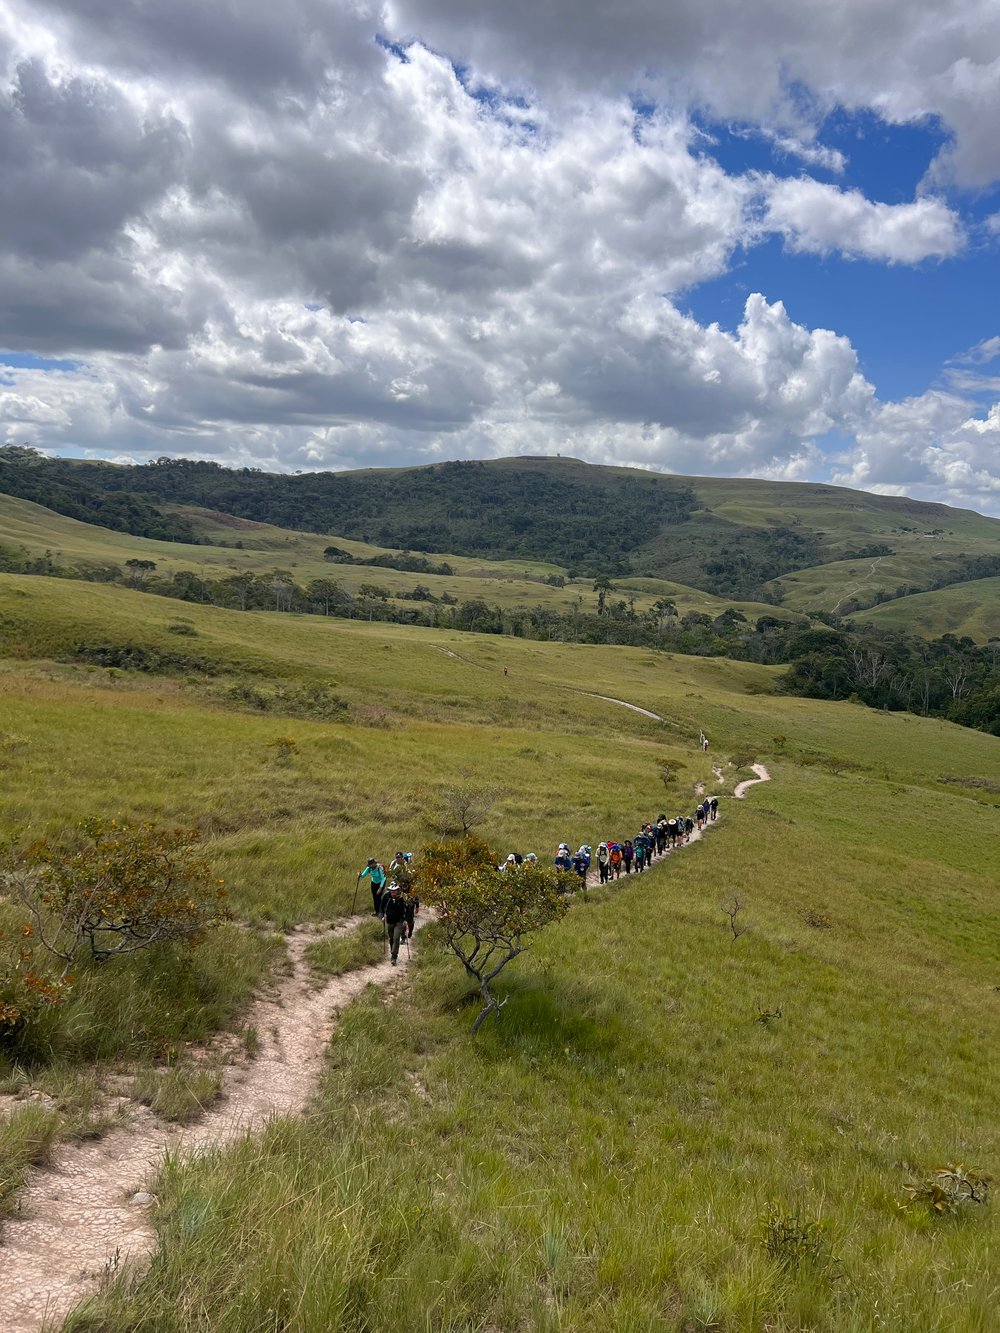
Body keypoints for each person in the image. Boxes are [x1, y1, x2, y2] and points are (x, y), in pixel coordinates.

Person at [381, 882, 408, 965]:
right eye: (391, 890)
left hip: (399, 921)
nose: (393, 892)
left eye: (394, 890)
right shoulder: (386, 897)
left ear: (397, 890)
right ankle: (393, 951)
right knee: (391, 938)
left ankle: (394, 956)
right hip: (389, 920)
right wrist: (382, 916)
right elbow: (382, 907)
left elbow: (407, 909)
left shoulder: (402, 898)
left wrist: (405, 920)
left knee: (396, 938)